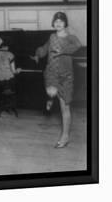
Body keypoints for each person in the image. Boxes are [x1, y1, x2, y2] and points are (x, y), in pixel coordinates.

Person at [31, 12, 82, 148]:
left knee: (65, 107)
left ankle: (65, 137)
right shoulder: (52, 36)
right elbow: (44, 48)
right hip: (52, 72)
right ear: (53, 23)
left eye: (61, 21)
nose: (58, 23)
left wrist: (63, 50)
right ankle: (51, 97)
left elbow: (77, 45)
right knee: (52, 92)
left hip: (66, 76)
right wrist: (37, 53)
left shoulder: (71, 38)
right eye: (56, 21)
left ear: (65, 23)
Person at [0, 40, 21, 117]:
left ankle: (5, 107)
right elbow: (14, 71)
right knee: (14, 86)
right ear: (7, 46)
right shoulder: (10, 54)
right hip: (8, 81)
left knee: (4, 92)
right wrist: (19, 70)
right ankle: (11, 107)